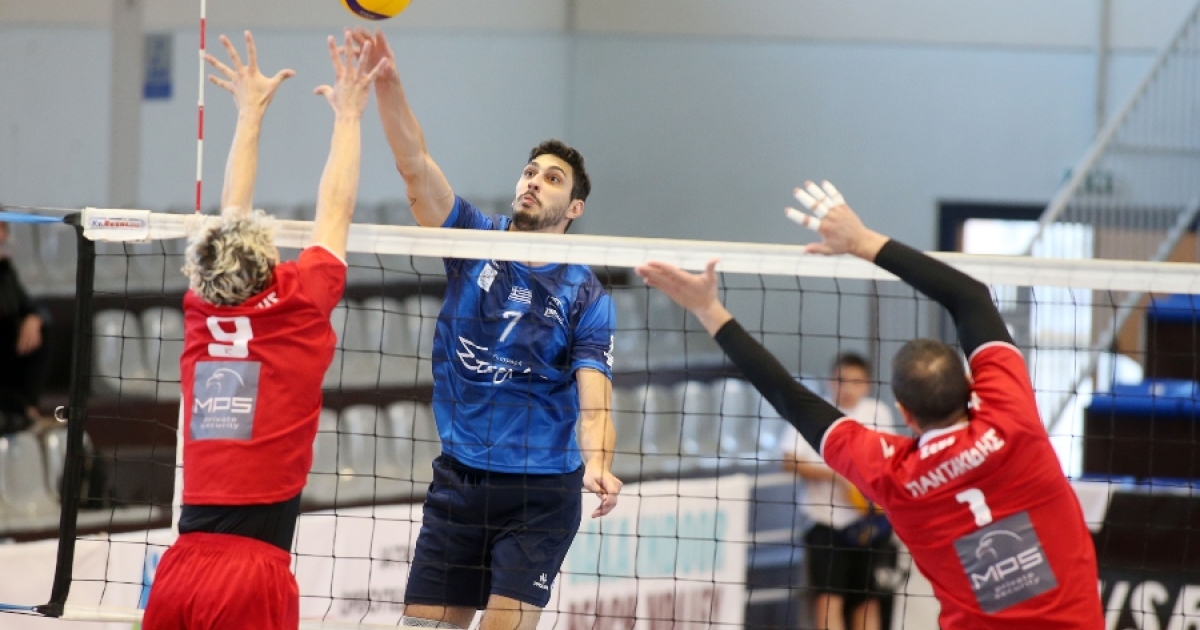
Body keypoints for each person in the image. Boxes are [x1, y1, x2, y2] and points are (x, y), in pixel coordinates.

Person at [635, 182, 1103, 630]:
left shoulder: (894, 476)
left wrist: (709, 310)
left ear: (904, 411)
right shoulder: (1011, 419)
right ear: (968, 384)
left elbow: (789, 398)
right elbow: (971, 298)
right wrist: (862, 241)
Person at [351, 28, 621, 630]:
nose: (534, 181)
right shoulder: (474, 239)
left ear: (574, 209)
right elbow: (415, 168)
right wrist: (389, 87)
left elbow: (595, 402)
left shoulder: (585, 294)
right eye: (530, 171)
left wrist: (600, 461)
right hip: (460, 480)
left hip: (539, 494)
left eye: (553, 178)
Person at [141, 31, 387, 630]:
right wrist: (349, 114)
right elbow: (336, 207)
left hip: (180, 567)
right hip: (251, 573)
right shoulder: (301, 302)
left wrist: (248, 113)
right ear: (269, 259)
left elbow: (231, 216)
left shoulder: (202, 309)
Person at [783, 353, 897, 630]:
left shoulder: (877, 412)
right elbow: (788, 461)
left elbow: (889, 461)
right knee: (828, 601)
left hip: (870, 525)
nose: (847, 388)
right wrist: (839, 476)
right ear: (830, 381)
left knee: (868, 602)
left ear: (867, 384)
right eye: (841, 380)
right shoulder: (812, 411)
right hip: (826, 524)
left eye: (855, 381)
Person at [0, 221, 51, 435]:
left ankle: (27, 409)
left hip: (6, 359)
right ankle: (21, 411)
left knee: (41, 331)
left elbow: (29, 304)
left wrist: (34, 318)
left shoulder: (5, 271)